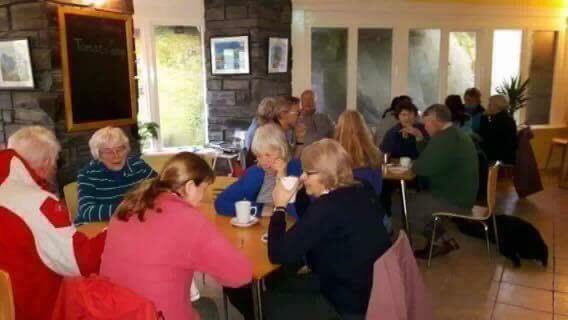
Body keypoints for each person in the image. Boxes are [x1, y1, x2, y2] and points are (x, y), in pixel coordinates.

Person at [100, 152, 252, 320]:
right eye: (203, 189)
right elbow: (240, 275)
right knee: (208, 307)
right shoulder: (188, 219)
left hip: (113, 311)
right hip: (155, 315)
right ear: (189, 187)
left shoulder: (128, 204)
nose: (202, 198)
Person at [265, 139, 391, 320]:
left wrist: (279, 208)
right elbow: (311, 217)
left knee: (270, 300)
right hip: (371, 286)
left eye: (308, 173)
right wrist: (301, 190)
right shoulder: (362, 187)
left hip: (348, 300)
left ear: (327, 174)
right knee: (279, 279)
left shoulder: (327, 208)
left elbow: (277, 254)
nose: (302, 177)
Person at [0, 126, 106, 319]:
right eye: (56, 161)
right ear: (47, 162)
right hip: (33, 309)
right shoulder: (38, 203)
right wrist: (117, 230)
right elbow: (81, 261)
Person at [398, 104, 478, 257]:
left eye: (427, 122)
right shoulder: (452, 133)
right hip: (462, 193)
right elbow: (431, 157)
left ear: (437, 121)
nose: (424, 126)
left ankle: (439, 242)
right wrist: (420, 138)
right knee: (412, 202)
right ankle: (443, 239)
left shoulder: (444, 138)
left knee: (405, 209)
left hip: (455, 199)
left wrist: (415, 164)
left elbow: (422, 168)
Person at [215, 123, 302, 217]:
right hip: (259, 228)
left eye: (268, 155)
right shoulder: (255, 173)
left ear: (282, 151)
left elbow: (299, 214)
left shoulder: (296, 169)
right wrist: (260, 209)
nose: (264, 161)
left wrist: (282, 176)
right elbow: (221, 203)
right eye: (259, 156)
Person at [75, 127, 156, 224]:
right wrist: (128, 208)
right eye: (108, 151)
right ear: (98, 154)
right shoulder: (88, 174)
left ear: (126, 149)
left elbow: (161, 188)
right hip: (98, 227)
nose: (116, 155)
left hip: (132, 222)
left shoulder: (138, 166)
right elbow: (87, 211)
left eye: (120, 149)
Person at [479, 95, 518, 164]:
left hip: (499, 156)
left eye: (490, 104)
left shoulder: (500, 120)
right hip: (503, 153)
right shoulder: (504, 117)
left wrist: (484, 117)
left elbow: (486, 137)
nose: (488, 106)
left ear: (496, 106)